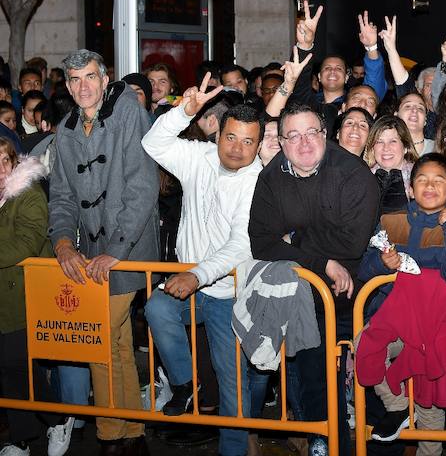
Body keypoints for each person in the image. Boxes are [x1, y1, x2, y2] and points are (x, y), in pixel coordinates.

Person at [249, 101, 380, 456]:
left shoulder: (353, 175)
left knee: (369, 382)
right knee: (313, 376)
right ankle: (324, 442)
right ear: (281, 141)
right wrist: (323, 261)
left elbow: (351, 244)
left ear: (325, 134)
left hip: (357, 295)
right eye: (293, 136)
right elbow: (261, 242)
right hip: (304, 297)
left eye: (311, 132)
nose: (304, 143)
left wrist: (294, 238)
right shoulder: (272, 177)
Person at [141, 75, 263, 456]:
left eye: (248, 142)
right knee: (156, 307)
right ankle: (183, 384)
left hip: (229, 293)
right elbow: (152, 143)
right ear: (218, 134)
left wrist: (196, 274)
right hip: (192, 283)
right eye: (231, 137)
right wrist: (183, 112)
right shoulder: (199, 156)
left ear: (259, 145)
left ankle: (233, 451)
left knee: (232, 383)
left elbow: (241, 244)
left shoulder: (256, 179)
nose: (238, 149)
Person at [49, 49, 159, 454]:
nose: (84, 87)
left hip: (128, 249)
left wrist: (115, 249)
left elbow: (143, 187)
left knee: (99, 337)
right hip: (92, 254)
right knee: (116, 344)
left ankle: (110, 434)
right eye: (76, 79)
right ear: (67, 85)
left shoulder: (129, 112)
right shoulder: (65, 130)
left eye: (91, 77)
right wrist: (63, 242)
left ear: (105, 78)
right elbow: (61, 197)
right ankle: (133, 432)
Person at [357, 153, 446, 453]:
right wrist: (382, 263)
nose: (429, 186)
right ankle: (398, 406)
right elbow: (364, 270)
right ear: (410, 188)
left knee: (429, 399)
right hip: (394, 321)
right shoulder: (390, 222)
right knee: (365, 344)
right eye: (422, 180)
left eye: (439, 180)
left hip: (438, 328)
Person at [0, 140, 73, 456]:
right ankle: (24, 435)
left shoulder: (28, 194)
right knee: (9, 368)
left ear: (14, 162)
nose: (0, 168)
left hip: (24, 293)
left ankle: (58, 418)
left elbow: (26, 244)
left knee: (16, 364)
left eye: (4, 160)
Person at [365, 115, 418, 214]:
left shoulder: (420, 177)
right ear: (372, 148)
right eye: (379, 142)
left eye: (393, 141)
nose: (386, 148)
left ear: (405, 147)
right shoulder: (363, 179)